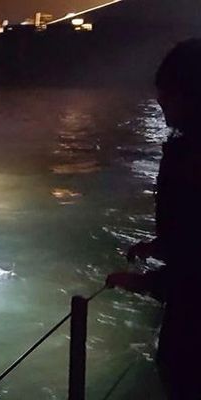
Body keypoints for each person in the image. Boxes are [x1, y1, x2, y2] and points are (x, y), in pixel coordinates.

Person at [106, 39, 201, 399]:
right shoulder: (186, 153)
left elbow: (194, 269)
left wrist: (143, 284)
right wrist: (160, 245)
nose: (160, 100)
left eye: (168, 91)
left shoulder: (190, 161)